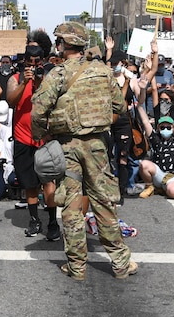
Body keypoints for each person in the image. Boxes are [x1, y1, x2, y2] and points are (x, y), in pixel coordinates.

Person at [31, 22, 137, 281]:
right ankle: (121, 264)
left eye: (59, 42)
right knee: (103, 201)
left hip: (67, 146)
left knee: (71, 203)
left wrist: (43, 136)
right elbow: (119, 107)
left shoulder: (57, 75)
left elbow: (37, 112)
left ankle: (77, 267)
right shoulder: (102, 71)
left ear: (64, 45)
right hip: (98, 145)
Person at [7, 41, 62, 239]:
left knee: (48, 180)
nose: (33, 66)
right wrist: (25, 82)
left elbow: (54, 103)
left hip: (44, 139)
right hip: (23, 138)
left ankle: (53, 222)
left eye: (37, 62)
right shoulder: (15, 79)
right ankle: (34, 220)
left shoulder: (49, 79)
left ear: (43, 61)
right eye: (29, 63)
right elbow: (11, 101)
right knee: (29, 183)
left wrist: (40, 81)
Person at [135, 97, 174, 199]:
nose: (165, 129)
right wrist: (140, 106)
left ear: (173, 128)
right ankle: (149, 186)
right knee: (144, 164)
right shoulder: (156, 139)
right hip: (160, 174)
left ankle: (165, 189)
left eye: (168, 127)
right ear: (158, 129)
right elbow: (146, 122)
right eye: (162, 127)